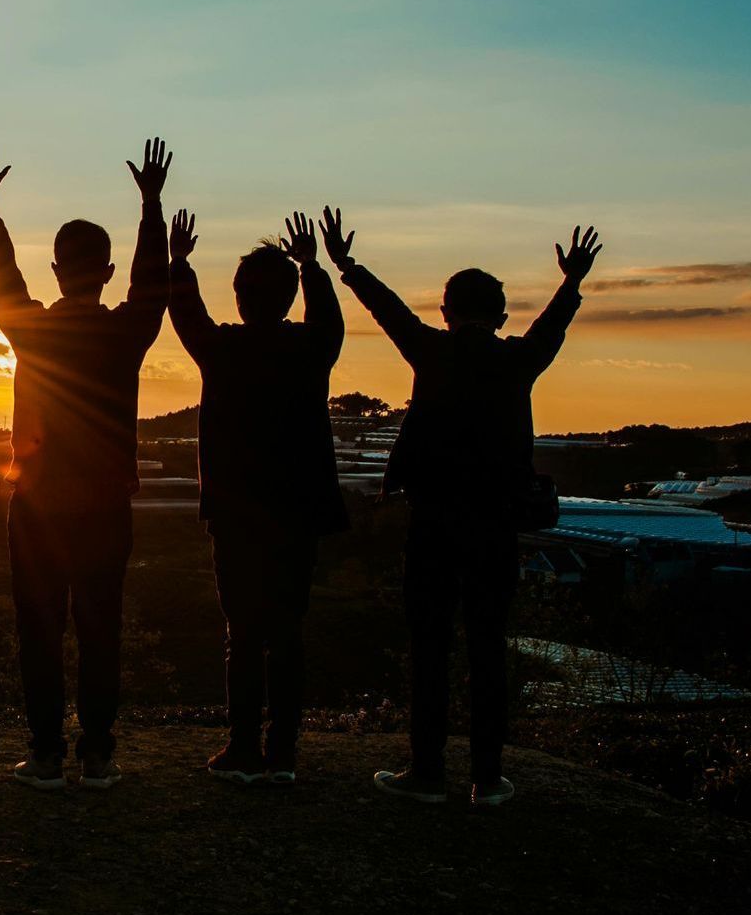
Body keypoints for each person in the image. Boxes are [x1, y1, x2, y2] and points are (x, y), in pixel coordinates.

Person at [324, 209, 602, 807]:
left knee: (428, 646)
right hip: (497, 525)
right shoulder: (517, 360)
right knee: (488, 646)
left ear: (445, 311)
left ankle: (426, 771)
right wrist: (571, 281)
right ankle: (487, 776)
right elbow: (553, 325)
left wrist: (346, 264)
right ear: (501, 316)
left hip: (431, 522)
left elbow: (388, 309)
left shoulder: (432, 351)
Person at [0, 136, 170, 790]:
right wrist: (151, 207)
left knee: (40, 630)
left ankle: (48, 753)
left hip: (36, 504)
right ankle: (98, 755)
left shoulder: (32, 328)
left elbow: (2, 280)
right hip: (106, 505)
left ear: (56, 270)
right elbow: (153, 286)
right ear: (105, 271)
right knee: (99, 628)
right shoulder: (125, 333)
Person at [168, 209, 346, 785]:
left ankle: (242, 748)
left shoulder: (223, 350)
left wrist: (179, 262)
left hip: (236, 515)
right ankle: (283, 753)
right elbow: (330, 321)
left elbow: (185, 314)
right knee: (288, 631)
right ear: (290, 296)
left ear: (240, 297)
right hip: (298, 513)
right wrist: (314, 267)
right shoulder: (312, 348)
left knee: (242, 633)